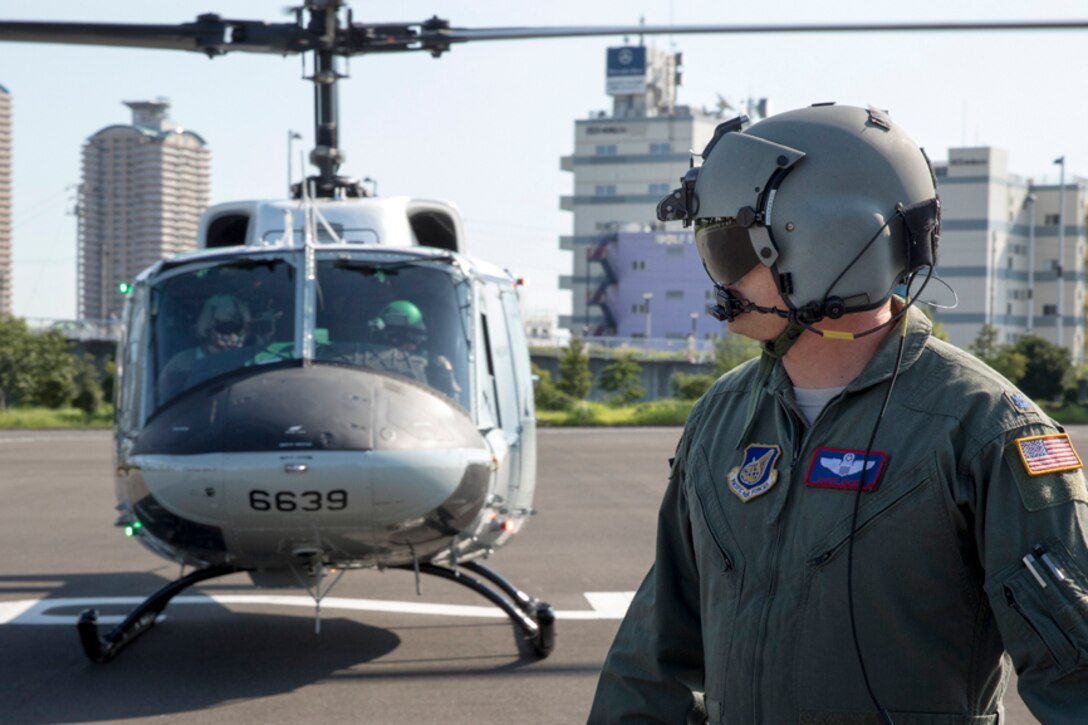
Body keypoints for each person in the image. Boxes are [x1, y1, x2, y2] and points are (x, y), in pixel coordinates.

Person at [589, 104, 1088, 724]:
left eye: (726, 246)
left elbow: (1075, 675)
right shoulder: (720, 417)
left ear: (824, 241)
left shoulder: (986, 429)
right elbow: (655, 655)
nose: (715, 276)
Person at [157, 293, 251, 400]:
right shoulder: (182, 363)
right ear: (208, 324)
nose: (235, 337)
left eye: (244, 329)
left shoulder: (253, 360)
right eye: (227, 327)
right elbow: (165, 402)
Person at [366, 300, 461, 398]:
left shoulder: (431, 366)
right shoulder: (361, 364)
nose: (416, 348)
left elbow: (452, 395)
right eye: (414, 340)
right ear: (394, 338)